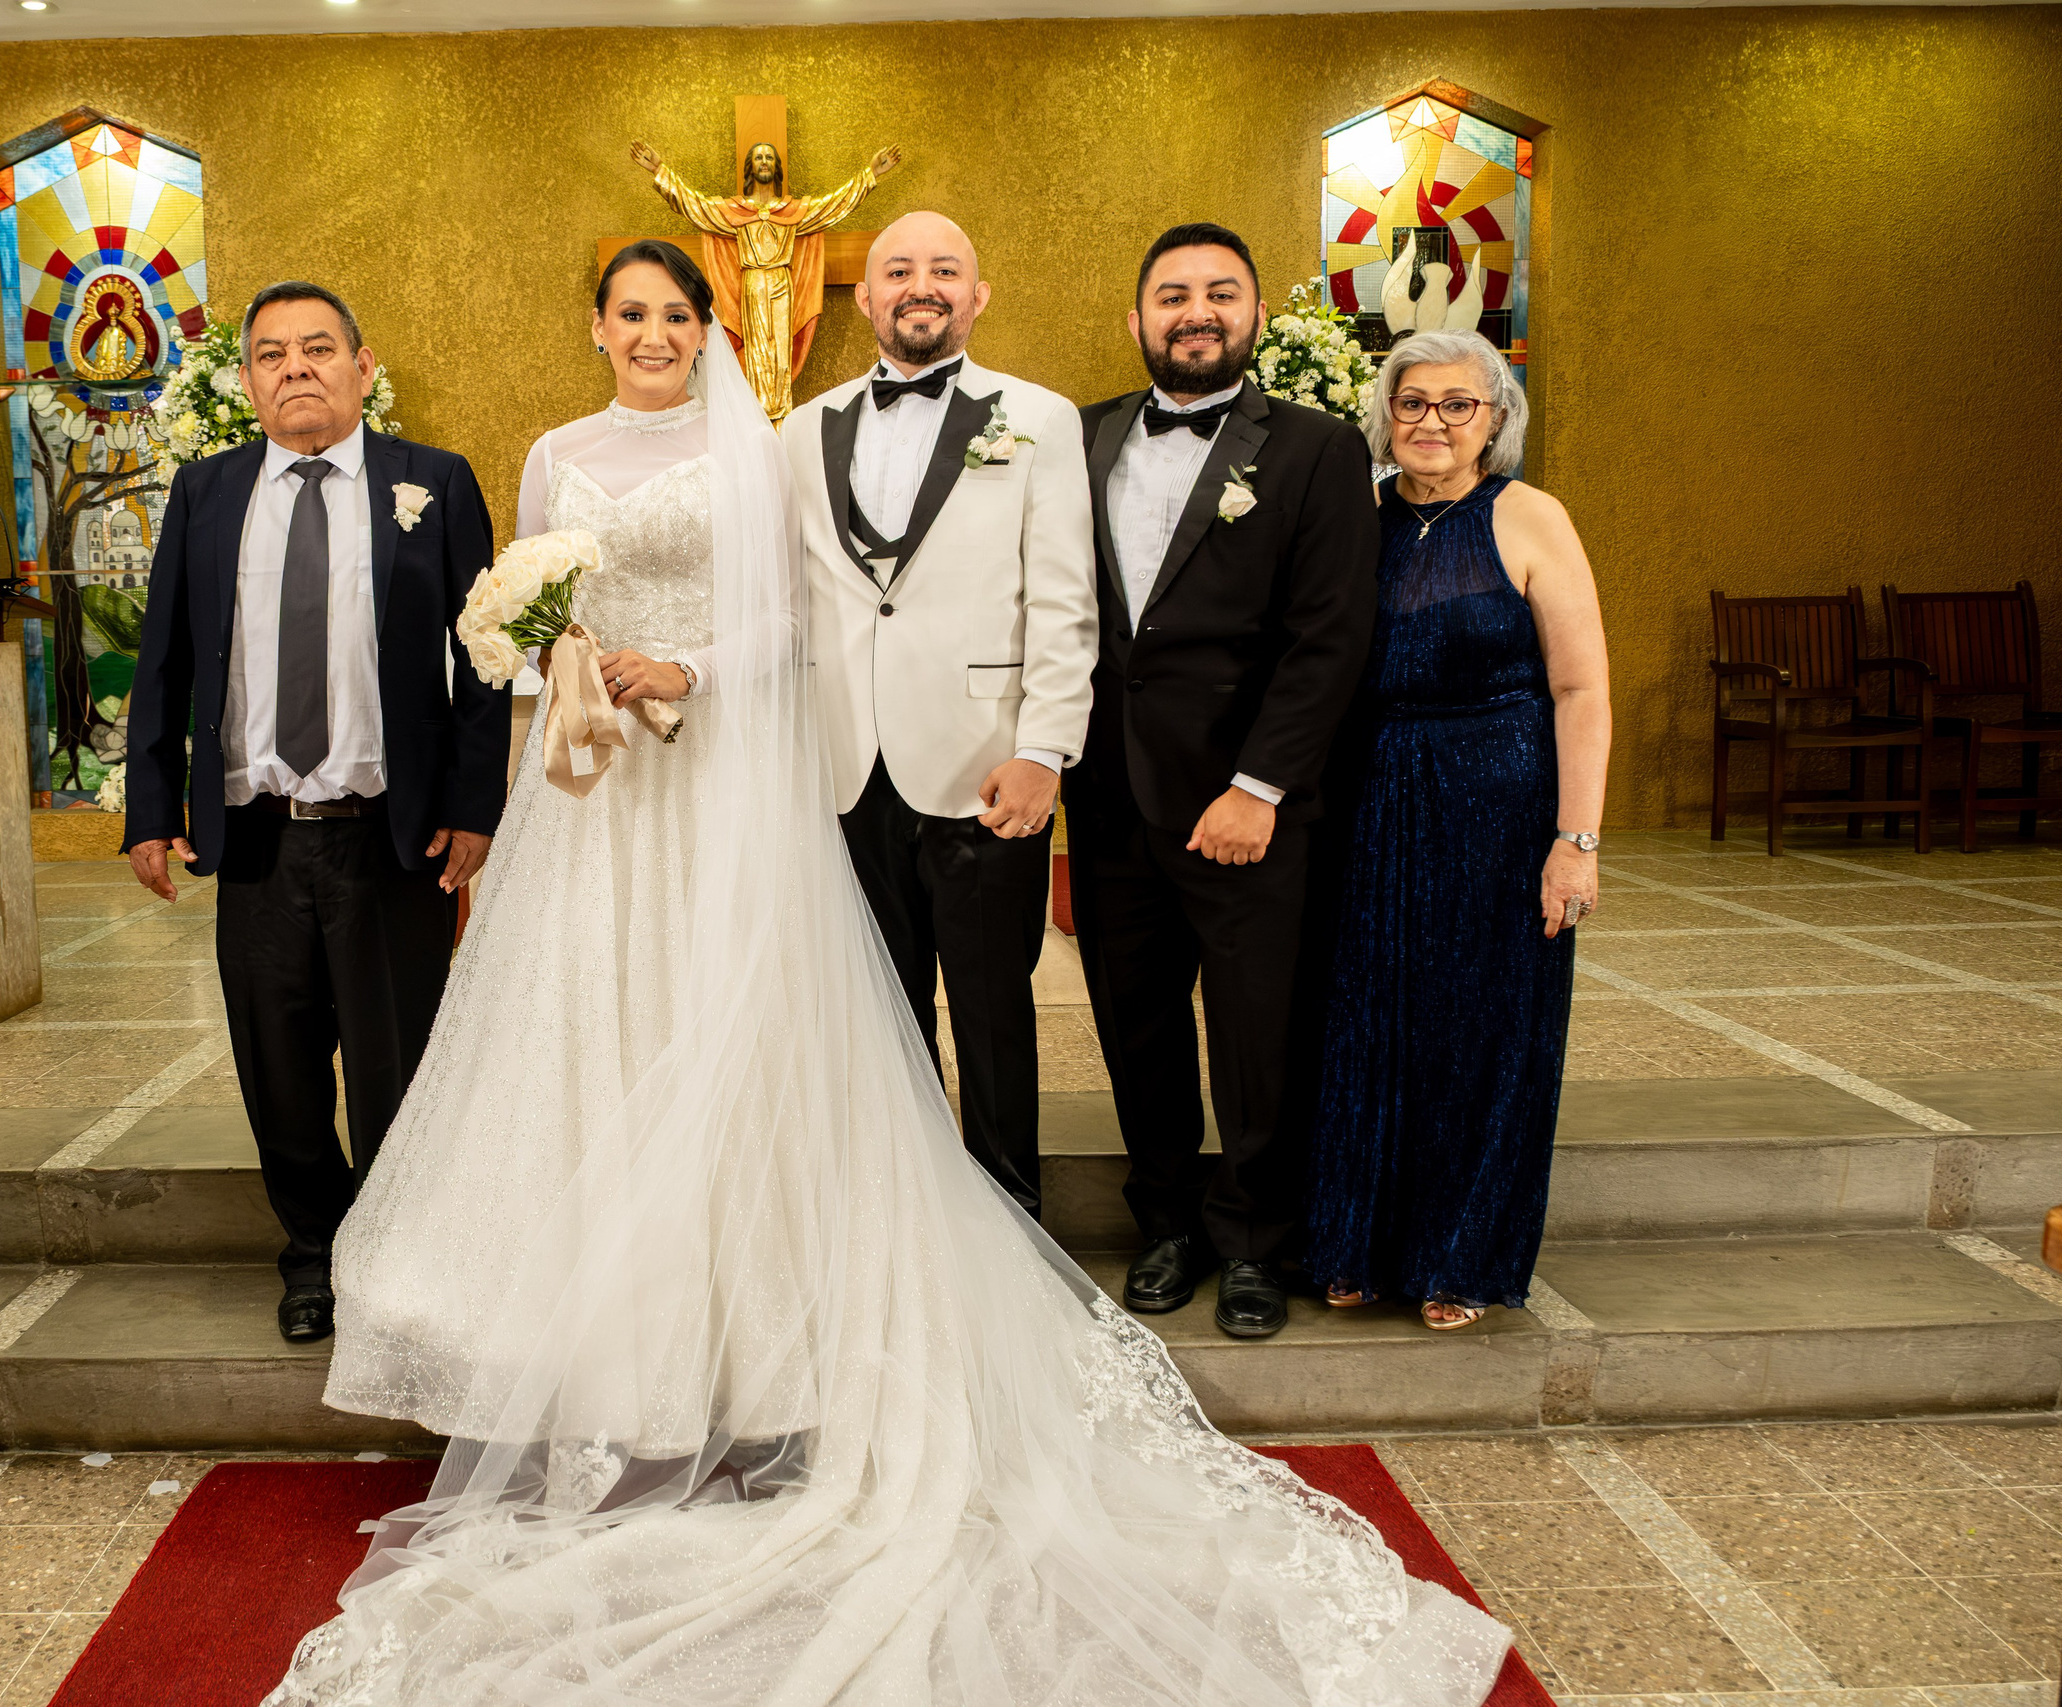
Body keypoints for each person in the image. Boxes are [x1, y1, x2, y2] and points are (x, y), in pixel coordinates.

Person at [263, 242, 1507, 1707]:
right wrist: (569, 664)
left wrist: (712, 677)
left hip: (771, 773)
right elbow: (545, 625)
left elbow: (809, 615)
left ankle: (1093, 1238)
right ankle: (599, 1334)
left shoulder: (877, 435)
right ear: (595, 324)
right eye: (630, 313)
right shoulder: (612, 447)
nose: (654, 333)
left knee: (872, 1030)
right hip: (614, 796)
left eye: (677, 314)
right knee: (593, 1031)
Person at [121, 280, 508, 1345]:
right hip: (254, 837)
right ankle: (311, 1255)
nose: (296, 368)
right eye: (273, 354)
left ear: (362, 367)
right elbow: (163, 661)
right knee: (278, 1072)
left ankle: (396, 1258)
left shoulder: (431, 483)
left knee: (399, 1068)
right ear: (246, 380)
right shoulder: (204, 493)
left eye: (318, 349)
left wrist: (477, 807)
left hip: (389, 835)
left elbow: (487, 658)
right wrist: (151, 807)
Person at [1066, 223, 1380, 1337]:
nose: (1193, 312)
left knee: (1257, 1026)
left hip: (1244, 801)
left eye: (1218, 293)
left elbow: (1329, 637)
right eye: (1170, 295)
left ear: (1250, 313)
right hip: (1106, 796)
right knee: (1134, 1022)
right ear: (1138, 316)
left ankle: (1255, 1238)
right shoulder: (1081, 437)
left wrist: (1260, 786)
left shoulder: (1314, 447)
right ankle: (1167, 1219)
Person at [782, 210, 1098, 1222]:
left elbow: (1062, 597)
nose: (922, 286)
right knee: (878, 1010)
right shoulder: (800, 430)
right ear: (864, 297)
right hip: (843, 764)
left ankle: (1010, 1216)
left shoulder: (1039, 419)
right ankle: (905, 1214)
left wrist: (1044, 748)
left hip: (983, 762)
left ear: (977, 295)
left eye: (945, 270)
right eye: (898, 271)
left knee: (994, 1007)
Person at [1303, 328, 1610, 1330]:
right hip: (1368, 803)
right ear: (1384, 415)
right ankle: (1356, 1242)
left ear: (1495, 419)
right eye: (1411, 402)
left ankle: (1461, 1259)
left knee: (1484, 1032)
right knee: (1364, 1024)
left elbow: (1580, 688)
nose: (1430, 420)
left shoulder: (1530, 517)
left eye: (1455, 404)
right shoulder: (1356, 516)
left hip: (1502, 811)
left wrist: (1576, 839)